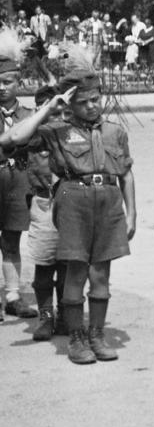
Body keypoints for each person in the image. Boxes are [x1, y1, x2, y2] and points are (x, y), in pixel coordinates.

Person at [0, 66, 136, 365]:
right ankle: (76, 338)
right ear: (70, 104)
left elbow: (126, 173)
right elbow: (11, 140)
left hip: (109, 201)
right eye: (83, 101)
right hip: (72, 197)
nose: (91, 106)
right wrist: (50, 107)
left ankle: (97, 335)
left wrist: (132, 213)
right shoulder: (55, 130)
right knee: (75, 269)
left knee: (101, 273)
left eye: (95, 99)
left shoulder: (114, 130)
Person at [0, 34, 38, 321]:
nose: (2, 88)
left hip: (17, 184)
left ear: (19, 83)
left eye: (8, 82)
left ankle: (13, 296)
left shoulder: (28, 114)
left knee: (12, 240)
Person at [24, 86, 64, 341]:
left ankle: (68, 312)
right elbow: (16, 141)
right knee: (44, 262)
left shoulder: (68, 130)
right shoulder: (35, 134)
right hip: (44, 201)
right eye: (45, 106)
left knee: (69, 262)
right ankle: (46, 315)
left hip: (71, 201)